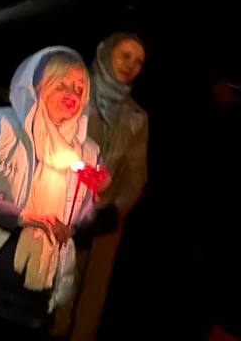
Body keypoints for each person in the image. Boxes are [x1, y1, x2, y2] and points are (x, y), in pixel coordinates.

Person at [0, 47, 102, 340]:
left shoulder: (88, 153)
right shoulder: (0, 124)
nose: (72, 93)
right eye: (62, 84)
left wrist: (90, 208)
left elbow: (83, 219)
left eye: (79, 88)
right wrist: (23, 216)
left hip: (32, 302)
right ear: (38, 85)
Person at [63, 33, 148, 340]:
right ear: (106, 52)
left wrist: (113, 212)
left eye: (138, 62)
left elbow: (136, 175)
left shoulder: (137, 118)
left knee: (86, 306)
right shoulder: (72, 94)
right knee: (52, 300)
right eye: (125, 55)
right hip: (60, 212)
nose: (131, 65)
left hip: (103, 226)